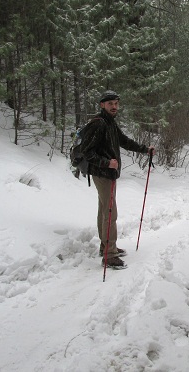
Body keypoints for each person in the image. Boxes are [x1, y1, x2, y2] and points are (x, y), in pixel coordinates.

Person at [80, 91, 154, 269]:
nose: (114, 107)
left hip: (108, 174)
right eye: (110, 104)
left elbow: (124, 141)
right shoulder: (99, 124)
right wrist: (107, 163)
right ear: (102, 105)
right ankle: (110, 255)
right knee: (110, 212)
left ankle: (106, 247)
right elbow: (86, 151)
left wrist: (145, 149)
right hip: (103, 173)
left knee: (104, 210)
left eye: (116, 103)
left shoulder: (110, 123)